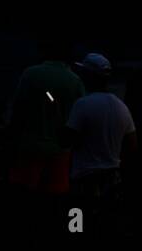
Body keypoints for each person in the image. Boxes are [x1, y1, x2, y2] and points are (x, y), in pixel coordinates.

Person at [8, 32, 85, 197]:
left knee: (25, 196)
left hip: (29, 148)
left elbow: (17, 111)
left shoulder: (30, 74)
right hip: (60, 152)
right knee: (53, 200)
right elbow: (80, 118)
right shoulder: (75, 81)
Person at [65, 53, 137, 198]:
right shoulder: (121, 107)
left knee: (81, 218)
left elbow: (67, 141)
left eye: (83, 73)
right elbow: (133, 146)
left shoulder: (82, 105)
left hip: (84, 177)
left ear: (89, 76)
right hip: (113, 179)